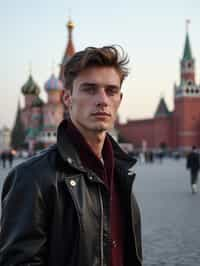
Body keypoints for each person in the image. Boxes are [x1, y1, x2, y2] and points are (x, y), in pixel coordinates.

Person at [0, 46, 142, 266]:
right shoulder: (33, 178)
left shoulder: (122, 175)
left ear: (119, 100)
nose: (102, 100)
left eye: (111, 91)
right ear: (66, 98)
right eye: (89, 89)